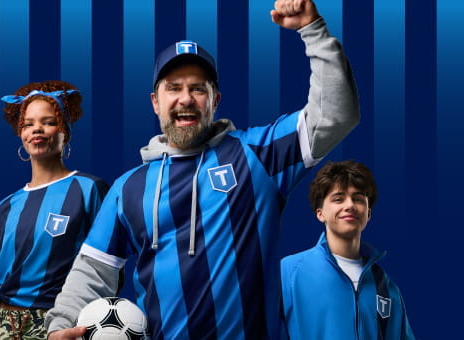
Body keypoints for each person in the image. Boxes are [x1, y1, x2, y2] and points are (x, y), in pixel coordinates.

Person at [46, 0, 360, 338]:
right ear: (156, 102)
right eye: (174, 88)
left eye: (198, 88)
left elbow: (336, 116)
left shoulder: (258, 154)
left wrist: (312, 30)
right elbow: (93, 270)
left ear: (216, 99)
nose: (186, 99)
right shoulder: (129, 189)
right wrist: (59, 328)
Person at [0, 81, 109, 340]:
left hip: (59, 323)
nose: (37, 129)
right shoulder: (4, 208)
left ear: (65, 130)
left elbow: (107, 268)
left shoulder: (89, 189)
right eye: (28, 124)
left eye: (48, 121)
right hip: (2, 324)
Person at [280, 160, 415, 339]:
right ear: (320, 213)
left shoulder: (385, 285)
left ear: (368, 213)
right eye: (338, 199)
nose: (350, 205)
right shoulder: (288, 272)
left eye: (358, 199)